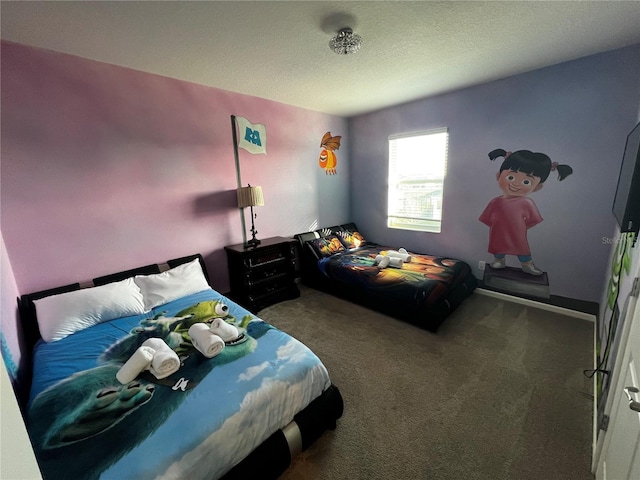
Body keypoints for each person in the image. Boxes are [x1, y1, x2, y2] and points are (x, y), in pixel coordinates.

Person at [479, 149, 572, 275]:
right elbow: (487, 219)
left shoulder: (527, 203)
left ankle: (527, 265)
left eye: (526, 181)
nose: (516, 184)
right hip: (497, 232)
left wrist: (520, 227)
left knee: (522, 248)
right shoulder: (495, 202)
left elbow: (533, 220)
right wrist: (498, 226)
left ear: (537, 187)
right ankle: (499, 260)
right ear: (498, 176)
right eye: (511, 177)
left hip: (518, 233)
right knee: (497, 245)